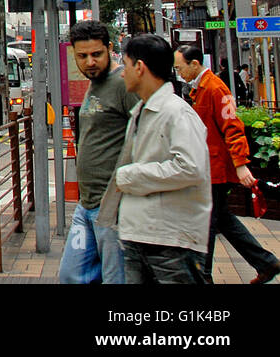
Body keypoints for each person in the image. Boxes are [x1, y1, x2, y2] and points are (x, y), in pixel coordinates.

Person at [98, 34, 211, 284]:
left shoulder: (176, 112)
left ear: (139, 68)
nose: (122, 73)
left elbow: (190, 167)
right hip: (141, 234)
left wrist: (132, 175)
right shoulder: (143, 110)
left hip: (170, 241)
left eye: (125, 65)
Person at [174, 46, 280, 284]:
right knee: (220, 218)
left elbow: (233, 126)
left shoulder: (214, 88)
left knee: (207, 223)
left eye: (180, 67)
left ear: (195, 64)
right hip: (211, 167)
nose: (179, 73)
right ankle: (265, 262)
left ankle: (204, 276)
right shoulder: (201, 89)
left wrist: (240, 163)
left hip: (216, 170)